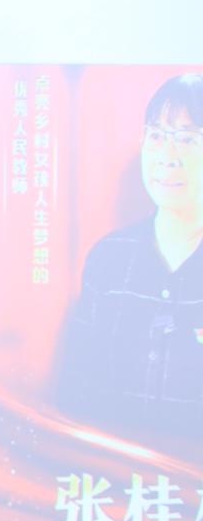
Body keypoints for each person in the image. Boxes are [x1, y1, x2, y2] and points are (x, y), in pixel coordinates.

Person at [55, 73, 203, 458]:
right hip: (112, 479)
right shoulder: (109, 258)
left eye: (187, 138)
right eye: (157, 135)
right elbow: (75, 389)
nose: (167, 154)